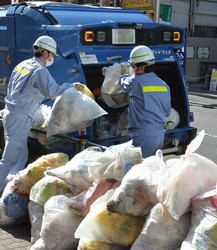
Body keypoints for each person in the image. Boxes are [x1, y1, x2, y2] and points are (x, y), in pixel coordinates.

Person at [0, 35, 75, 193]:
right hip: (20, 117)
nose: (52, 58)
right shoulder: (40, 70)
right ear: (45, 52)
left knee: (20, 155)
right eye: (52, 55)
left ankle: (10, 192)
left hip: (10, 113)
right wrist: (71, 87)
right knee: (9, 159)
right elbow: (52, 91)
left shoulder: (22, 65)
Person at [119, 45, 171, 158]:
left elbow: (123, 82)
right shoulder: (164, 85)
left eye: (133, 66)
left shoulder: (136, 82)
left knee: (137, 170)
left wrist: (124, 71)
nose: (132, 68)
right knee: (151, 168)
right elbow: (167, 112)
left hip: (143, 134)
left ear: (141, 68)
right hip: (159, 134)